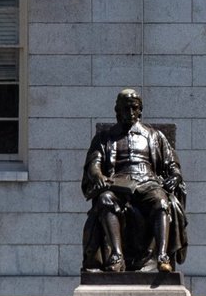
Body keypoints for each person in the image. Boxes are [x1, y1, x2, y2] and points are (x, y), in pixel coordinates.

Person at [80, 88, 188, 273]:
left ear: (140, 111)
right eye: (125, 108)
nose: (129, 113)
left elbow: (172, 164)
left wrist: (175, 176)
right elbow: (94, 164)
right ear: (117, 111)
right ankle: (117, 256)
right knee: (105, 199)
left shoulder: (155, 136)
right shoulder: (104, 138)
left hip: (148, 182)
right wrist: (98, 176)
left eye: (134, 108)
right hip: (118, 184)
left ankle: (163, 256)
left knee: (162, 201)